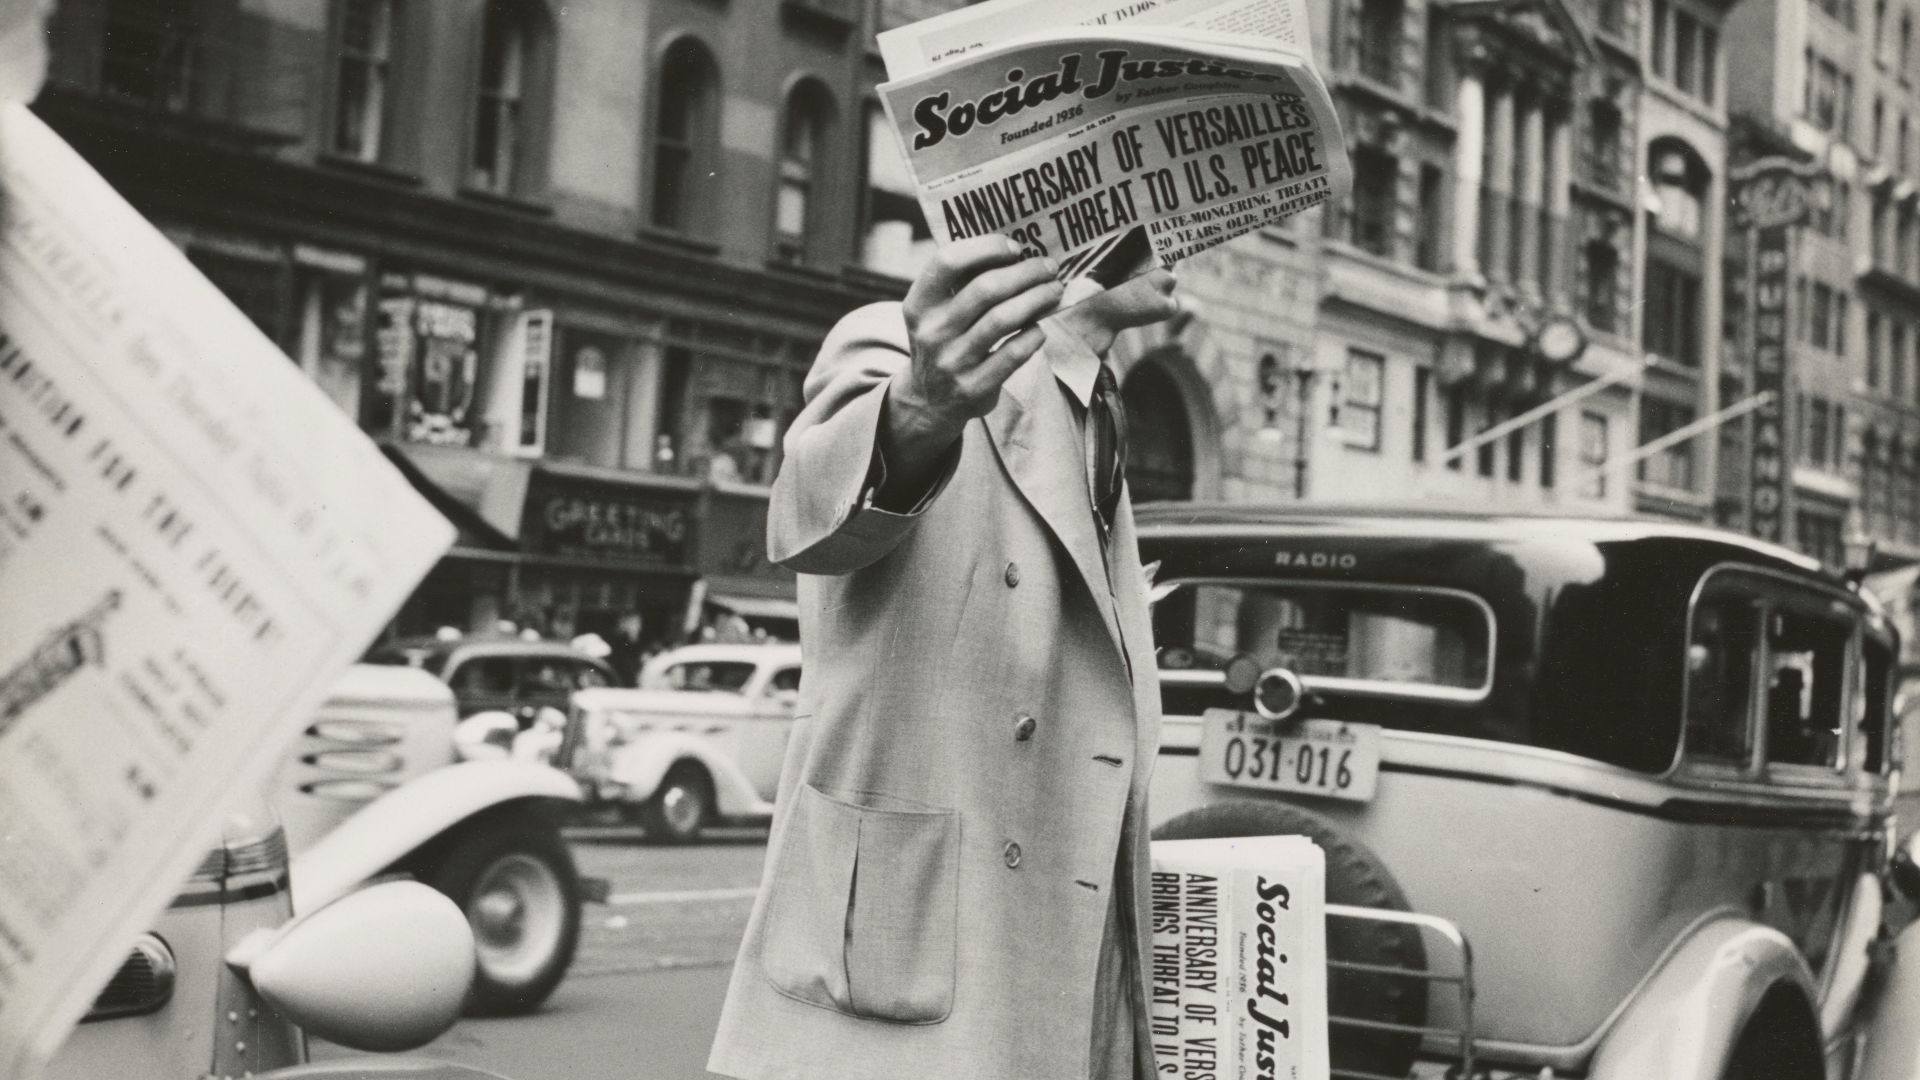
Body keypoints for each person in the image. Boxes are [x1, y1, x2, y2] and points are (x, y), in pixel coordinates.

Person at [708, 236, 1180, 1080]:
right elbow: (807, 520)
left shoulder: (1096, 403)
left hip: (1067, 979)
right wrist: (920, 408)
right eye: (1160, 221)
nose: (1188, 243)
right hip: (907, 983)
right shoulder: (903, 339)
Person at [607, 611, 646, 686]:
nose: (639, 628)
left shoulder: (632, 646)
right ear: (624, 625)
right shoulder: (617, 647)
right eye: (635, 624)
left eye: (639, 624)